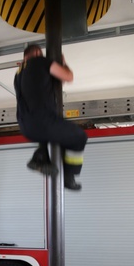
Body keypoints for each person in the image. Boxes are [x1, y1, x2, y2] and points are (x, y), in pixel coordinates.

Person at [14, 43, 87, 191]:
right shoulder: (40, 61)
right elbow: (68, 77)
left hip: (25, 125)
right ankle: (69, 175)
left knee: (51, 134)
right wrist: (63, 63)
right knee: (79, 137)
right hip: (43, 122)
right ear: (36, 53)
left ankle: (41, 157)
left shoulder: (18, 73)